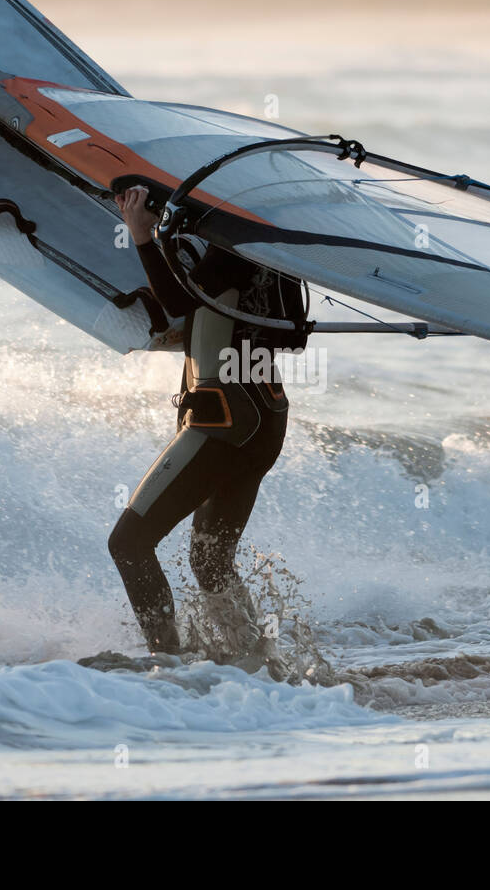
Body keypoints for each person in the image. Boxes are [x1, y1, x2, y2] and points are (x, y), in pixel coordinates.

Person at [107, 185, 305, 675]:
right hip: (262, 419)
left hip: (225, 421)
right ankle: (260, 665)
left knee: (129, 543)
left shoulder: (229, 252)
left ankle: (167, 662)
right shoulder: (271, 256)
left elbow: (177, 299)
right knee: (211, 562)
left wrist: (142, 235)